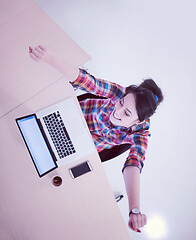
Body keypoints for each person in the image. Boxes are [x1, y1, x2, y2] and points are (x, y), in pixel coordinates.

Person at [29, 45, 163, 233]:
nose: (117, 112)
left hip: (79, 147)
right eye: (121, 103)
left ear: (138, 121)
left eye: (126, 113)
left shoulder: (141, 132)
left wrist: (134, 209)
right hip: (68, 116)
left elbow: (134, 162)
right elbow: (88, 82)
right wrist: (51, 58)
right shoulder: (120, 92)